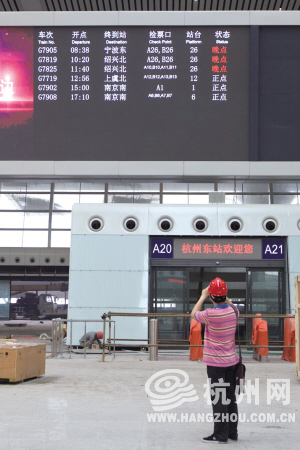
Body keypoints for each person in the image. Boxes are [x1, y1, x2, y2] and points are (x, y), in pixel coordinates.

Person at [191, 277, 239, 444]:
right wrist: (221, 294)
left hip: (215, 364)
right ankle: (232, 432)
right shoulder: (234, 311)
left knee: (219, 398)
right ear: (225, 295)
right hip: (232, 362)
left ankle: (221, 435)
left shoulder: (210, 314)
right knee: (230, 396)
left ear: (211, 297)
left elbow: (194, 314)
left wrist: (203, 296)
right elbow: (229, 303)